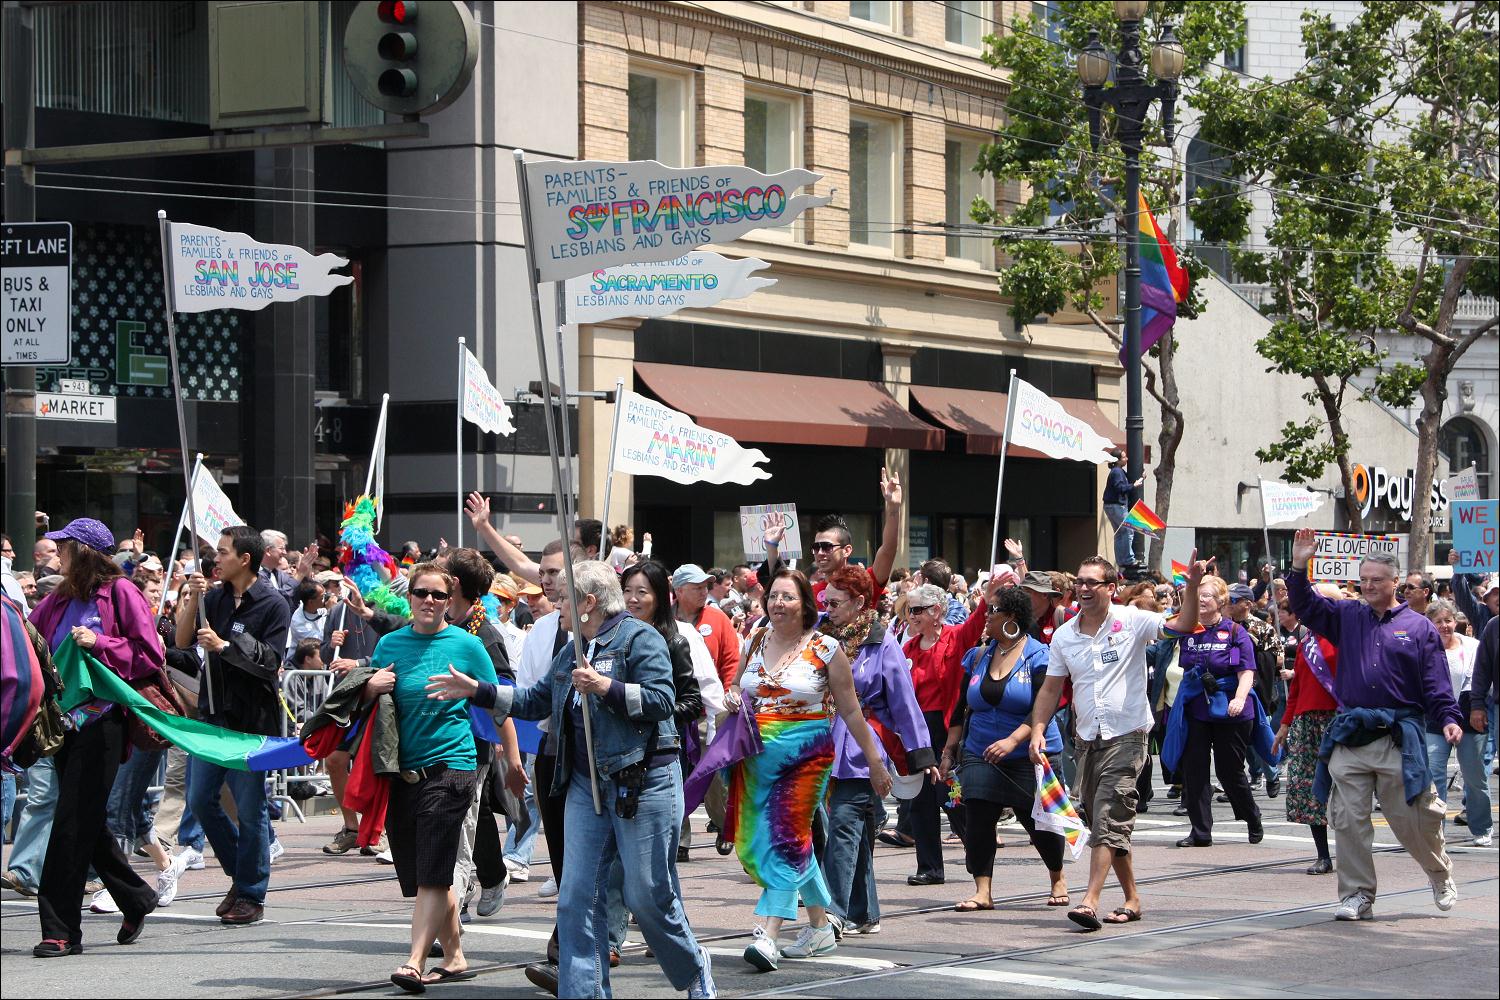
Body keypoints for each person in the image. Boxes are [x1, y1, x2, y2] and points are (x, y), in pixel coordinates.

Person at [430, 560, 718, 999]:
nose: (555, 604)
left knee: (647, 896)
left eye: (564, 597)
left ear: (588, 601)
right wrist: (479, 691)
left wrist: (607, 687)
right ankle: (584, 992)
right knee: (576, 898)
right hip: (586, 784)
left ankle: (695, 970)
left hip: (643, 782)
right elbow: (536, 699)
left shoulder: (643, 638)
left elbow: (664, 700)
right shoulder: (571, 648)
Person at [1287, 528, 1463, 922]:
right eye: (1363, 580)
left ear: (1395, 583)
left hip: (1399, 737)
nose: (1367, 585)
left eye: (1376, 580)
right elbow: (1306, 606)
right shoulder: (1346, 615)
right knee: (1348, 819)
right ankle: (1357, 895)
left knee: (1413, 821)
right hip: (1351, 734)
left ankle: (1439, 873)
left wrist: (1450, 719)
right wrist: (1300, 565)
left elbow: (1436, 685)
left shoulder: (1419, 628)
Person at [1028, 552, 1209, 931]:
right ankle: (1132, 898)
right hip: (1087, 740)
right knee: (1105, 822)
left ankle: (1089, 901)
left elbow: (1185, 624)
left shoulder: (1132, 621)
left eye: (1092, 582)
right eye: (1080, 582)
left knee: (1110, 813)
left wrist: (1191, 586)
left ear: (1111, 589)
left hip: (1128, 735)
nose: (1083, 589)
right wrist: (1038, 728)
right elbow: (1050, 688)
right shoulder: (1064, 635)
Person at [723, 569, 892, 971]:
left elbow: (850, 710)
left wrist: (874, 762)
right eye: (774, 597)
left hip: (806, 755)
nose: (778, 604)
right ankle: (821, 925)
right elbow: (735, 685)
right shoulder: (755, 638)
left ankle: (768, 932)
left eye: (788, 597)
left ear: (805, 604)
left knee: (787, 835)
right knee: (778, 839)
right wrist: (732, 697)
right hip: (756, 754)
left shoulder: (826, 647)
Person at [354, 562, 496, 992]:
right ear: (409, 596)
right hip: (402, 771)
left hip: (453, 766)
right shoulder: (390, 644)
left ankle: (414, 960)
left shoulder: (468, 645)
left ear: (451, 598)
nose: (430, 602)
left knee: (435, 868)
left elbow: (496, 700)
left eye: (438, 595)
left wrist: (510, 760)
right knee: (422, 872)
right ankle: (454, 956)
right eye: (422, 593)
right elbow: (369, 704)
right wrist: (368, 686)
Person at [25, 518, 163, 957]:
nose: (57, 553)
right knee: (82, 818)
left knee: (70, 824)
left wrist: (100, 642)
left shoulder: (121, 592)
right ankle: (137, 897)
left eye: (64, 546)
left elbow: (149, 654)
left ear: (84, 551)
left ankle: (60, 929)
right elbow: (30, 638)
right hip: (62, 725)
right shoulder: (59, 599)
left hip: (104, 723)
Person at [175, 526, 290, 926]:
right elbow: (183, 638)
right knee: (200, 799)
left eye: (223, 552)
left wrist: (225, 646)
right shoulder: (216, 597)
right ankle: (240, 875)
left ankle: (251, 893)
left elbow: (270, 661)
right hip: (212, 715)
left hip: (249, 722)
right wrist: (192, 598)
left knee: (249, 806)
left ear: (244, 559)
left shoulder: (273, 604)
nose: (216, 559)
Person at [817, 565, 933, 938]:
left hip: (862, 749)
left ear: (859, 602)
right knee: (856, 833)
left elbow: (904, 701)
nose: (828, 607)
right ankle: (864, 912)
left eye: (835, 601)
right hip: (820, 746)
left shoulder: (881, 641)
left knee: (843, 828)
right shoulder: (818, 635)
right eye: (825, 600)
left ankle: (832, 912)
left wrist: (922, 755)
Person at [940, 586, 1069, 912]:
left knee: (1037, 821)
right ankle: (983, 890)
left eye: (992, 611)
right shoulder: (978, 656)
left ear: (1011, 617)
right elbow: (959, 710)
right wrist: (948, 751)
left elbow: (1044, 705)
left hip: (1029, 752)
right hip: (980, 751)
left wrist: (1014, 740)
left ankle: (1057, 875)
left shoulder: (1040, 655)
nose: (986, 617)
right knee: (979, 818)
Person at [443, 548, 526, 924]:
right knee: (465, 820)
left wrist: (511, 754)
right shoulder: (441, 622)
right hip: (432, 739)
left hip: (470, 744)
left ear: (455, 584)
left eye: (441, 577)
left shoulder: (485, 635)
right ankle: (491, 874)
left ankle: (452, 906)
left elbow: (502, 694)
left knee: (463, 821)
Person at [901, 580, 992, 885]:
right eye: (908, 611)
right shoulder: (908, 648)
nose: (911, 616)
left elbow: (976, 624)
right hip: (917, 732)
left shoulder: (955, 638)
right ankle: (929, 868)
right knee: (919, 801)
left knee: (953, 796)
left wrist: (986, 600)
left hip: (947, 730)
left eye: (917, 610)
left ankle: (979, 857)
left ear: (936, 610)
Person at [1172, 577, 1264, 848]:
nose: (1201, 601)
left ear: (1222, 602)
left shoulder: (1236, 632)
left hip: (1230, 710)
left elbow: (1247, 671)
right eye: (1198, 596)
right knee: (1195, 770)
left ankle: (1251, 815)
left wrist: (1239, 697)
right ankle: (1200, 831)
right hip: (1197, 708)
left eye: (1207, 596)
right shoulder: (1189, 630)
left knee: (1229, 771)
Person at [1271, 588, 1342, 874]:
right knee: (1309, 788)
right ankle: (1323, 855)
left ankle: (1352, 851)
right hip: (1306, 722)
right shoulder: (1305, 643)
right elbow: (1297, 688)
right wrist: (1284, 726)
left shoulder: (1346, 639)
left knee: (1348, 785)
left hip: (1339, 720)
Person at [1422, 599, 1490, 846]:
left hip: (1470, 716)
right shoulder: (1423, 647)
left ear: (1456, 621)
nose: (1444, 626)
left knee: (1474, 776)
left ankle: (1482, 827)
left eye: (1448, 620)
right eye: (1438, 621)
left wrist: (1474, 711)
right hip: (1434, 719)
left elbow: (1478, 681)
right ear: (1429, 624)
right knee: (1433, 772)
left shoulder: (1472, 646)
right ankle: (1435, 830)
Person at [807, 469, 904, 607]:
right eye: (816, 547)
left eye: (827, 547)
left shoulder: (864, 583)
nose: (820, 553)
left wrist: (893, 507)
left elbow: (888, 550)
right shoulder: (809, 594)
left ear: (847, 550)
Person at [1227, 583, 1284, 797]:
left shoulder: (1262, 628)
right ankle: (1237, 781)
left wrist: (1254, 654)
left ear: (1247, 604)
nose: (1229, 605)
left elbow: (1278, 659)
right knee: (1236, 740)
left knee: (1260, 736)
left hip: (1259, 690)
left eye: (1234, 601)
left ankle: (1272, 774)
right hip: (1230, 688)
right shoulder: (1224, 626)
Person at [673, 564, 740, 691]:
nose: (704, 592)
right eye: (698, 588)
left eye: (705, 587)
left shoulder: (719, 618)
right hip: (674, 703)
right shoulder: (662, 619)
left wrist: (729, 694)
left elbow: (732, 662)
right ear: (679, 590)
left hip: (712, 705)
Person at [1101, 451, 1143, 569]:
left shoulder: (1118, 471)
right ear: (1117, 460)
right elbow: (1120, 488)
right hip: (1116, 505)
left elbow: (1129, 479)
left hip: (1112, 506)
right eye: (1124, 457)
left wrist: (1140, 477)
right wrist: (1133, 486)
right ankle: (1128, 560)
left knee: (1120, 533)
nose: (1127, 459)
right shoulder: (1117, 472)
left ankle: (1121, 560)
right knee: (1128, 530)